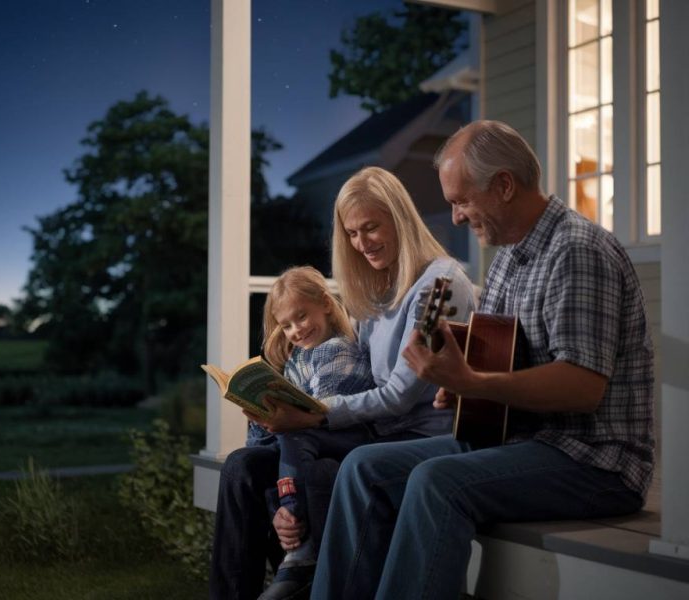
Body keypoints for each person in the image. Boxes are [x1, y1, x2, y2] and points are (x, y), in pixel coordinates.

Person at [309, 120, 655, 600]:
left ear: (504, 186)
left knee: (436, 482)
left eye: (460, 200)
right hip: (521, 442)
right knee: (362, 469)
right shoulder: (509, 262)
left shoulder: (577, 251)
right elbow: (495, 365)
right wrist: (460, 383)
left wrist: (474, 380)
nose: (454, 217)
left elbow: (582, 386)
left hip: (594, 460)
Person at [209, 166, 476, 600]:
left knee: (314, 450)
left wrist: (317, 414)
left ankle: (306, 572)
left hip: (411, 435)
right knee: (242, 467)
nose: (361, 243)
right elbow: (361, 375)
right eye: (352, 233)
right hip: (369, 431)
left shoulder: (441, 285)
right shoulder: (376, 290)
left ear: (400, 218)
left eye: (371, 228)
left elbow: (401, 393)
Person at [245, 266, 375, 593]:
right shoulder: (296, 362)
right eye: (286, 325)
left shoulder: (339, 349)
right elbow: (270, 439)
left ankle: (299, 547)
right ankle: (290, 527)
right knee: (256, 456)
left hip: (349, 437)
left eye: (302, 317)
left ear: (326, 304)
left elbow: (316, 415)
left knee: (293, 433)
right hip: (314, 443)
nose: (296, 330)